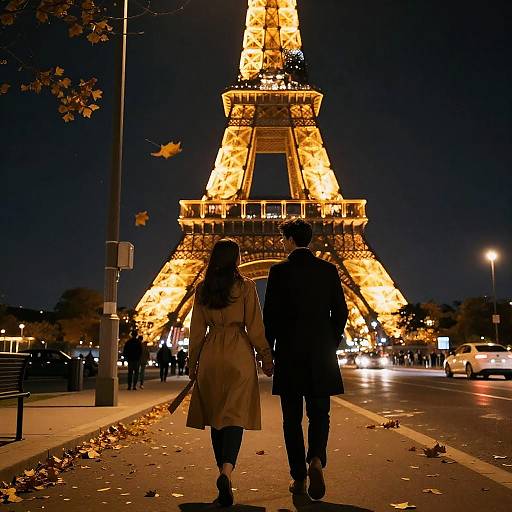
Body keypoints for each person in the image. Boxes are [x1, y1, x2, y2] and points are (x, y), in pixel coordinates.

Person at [264, 219, 348, 500]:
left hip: (289, 354)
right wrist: (330, 341)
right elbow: (341, 312)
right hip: (320, 354)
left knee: (291, 420)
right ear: (309, 240)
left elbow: (270, 318)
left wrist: (269, 352)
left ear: (288, 240)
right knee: (319, 413)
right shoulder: (328, 270)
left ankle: (298, 476)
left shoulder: (278, 272)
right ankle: (315, 460)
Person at [186, 239, 274, 507]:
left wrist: (192, 365)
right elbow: (255, 327)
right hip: (238, 354)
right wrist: (266, 358)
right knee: (234, 415)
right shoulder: (246, 287)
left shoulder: (203, 289)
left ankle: (221, 473)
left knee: (216, 416)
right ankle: (227, 470)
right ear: (237, 258)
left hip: (212, 354)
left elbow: (196, 332)